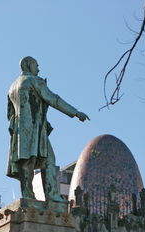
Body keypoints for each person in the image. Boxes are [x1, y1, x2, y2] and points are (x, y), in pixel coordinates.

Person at [7, 56, 89, 201]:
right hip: (33, 127)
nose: (38, 69)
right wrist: (75, 112)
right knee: (48, 160)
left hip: (20, 130)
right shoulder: (34, 80)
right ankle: (51, 195)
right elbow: (53, 99)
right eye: (36, 65)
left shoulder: (12, 87)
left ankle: (28, 194)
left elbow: (10, 114)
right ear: (28, 65)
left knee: (27, 162)